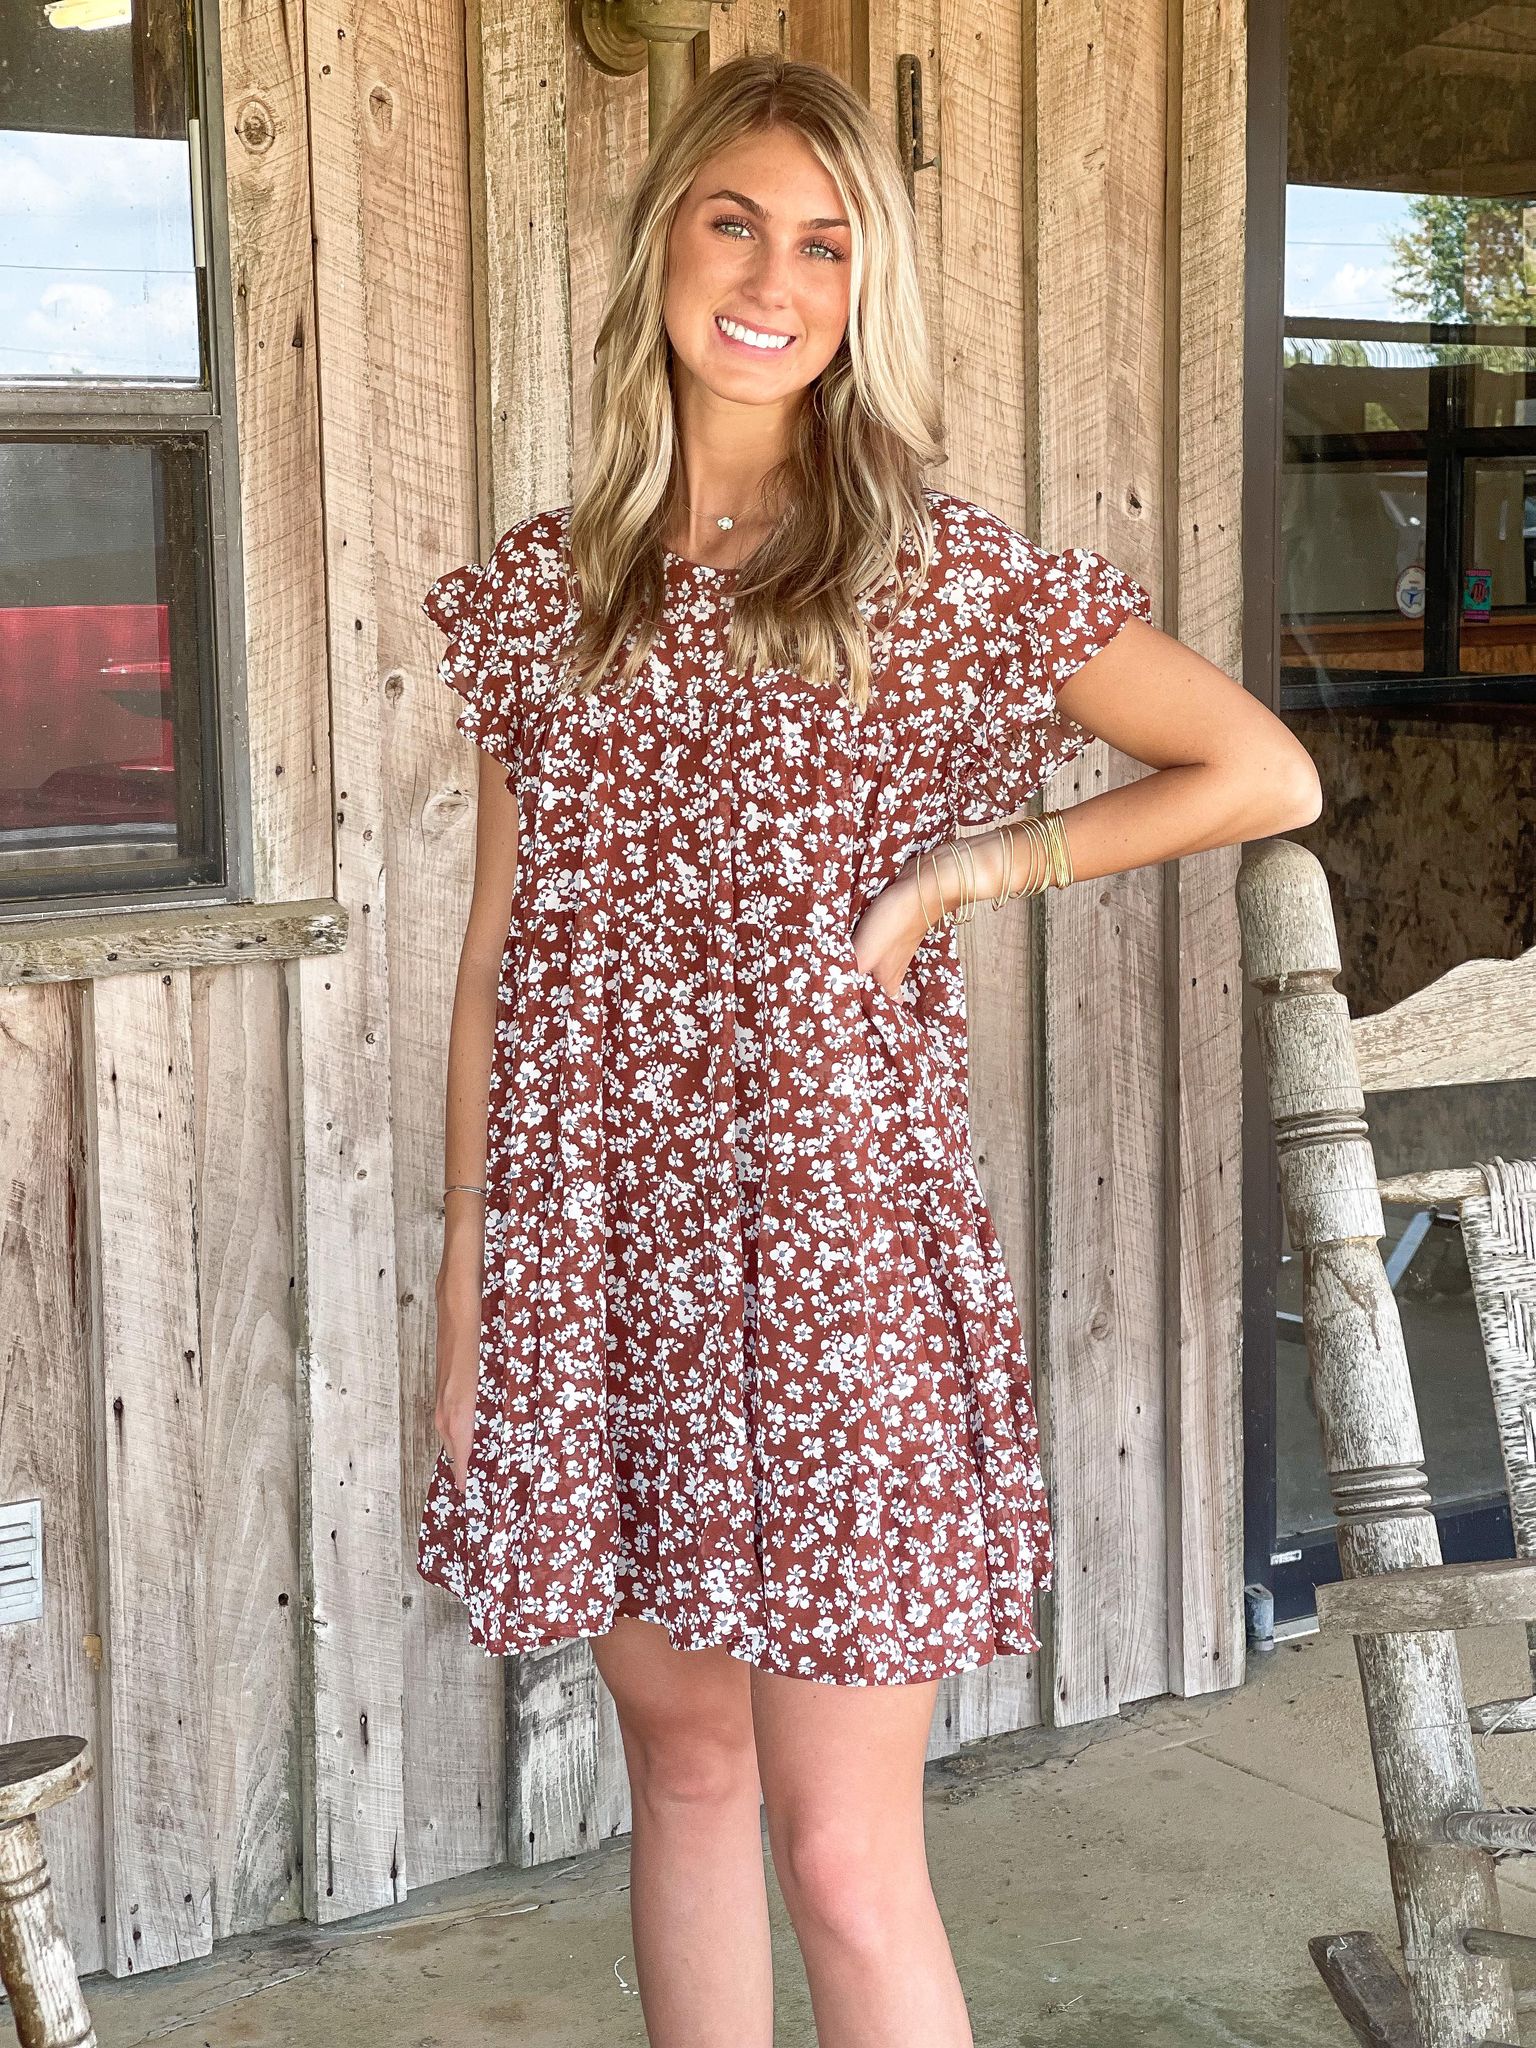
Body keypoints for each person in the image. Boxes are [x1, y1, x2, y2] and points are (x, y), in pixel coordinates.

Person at [416, 50, 1320, 2048]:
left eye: (823, 242)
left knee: (845, 1850)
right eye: (734, 219)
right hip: (612, 1273)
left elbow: (1255, 766)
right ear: (663, 236)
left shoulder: (932, 562)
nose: (771, 276)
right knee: (685, 1780)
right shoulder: (547, 594)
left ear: (863, 287)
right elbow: (500, 965)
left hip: (843, 1285)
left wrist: (974, 870)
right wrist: (476, 1305)